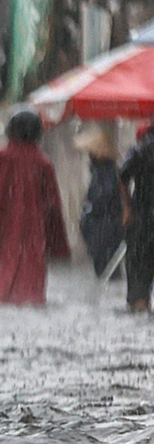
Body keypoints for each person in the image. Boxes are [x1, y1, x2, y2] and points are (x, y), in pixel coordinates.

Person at [0, 107, 70, 306]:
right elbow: (52, 206)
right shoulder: (43, 164)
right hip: (32, 233)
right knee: (28, 291)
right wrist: (58, 245)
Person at [75, 126, 123, 280]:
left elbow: (103, 196)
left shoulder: (106, 171)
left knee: (105, 266)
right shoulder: (101, 170)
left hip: (105, 226)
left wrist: (91, 212)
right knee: (104, 266)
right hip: (103, 225)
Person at [119, 123, 154, 312]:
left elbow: (122, 175)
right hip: (142, 217)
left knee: (139, 273)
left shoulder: (140, 150)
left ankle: (139, 304)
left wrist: (127, 208)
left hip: (141, 220)